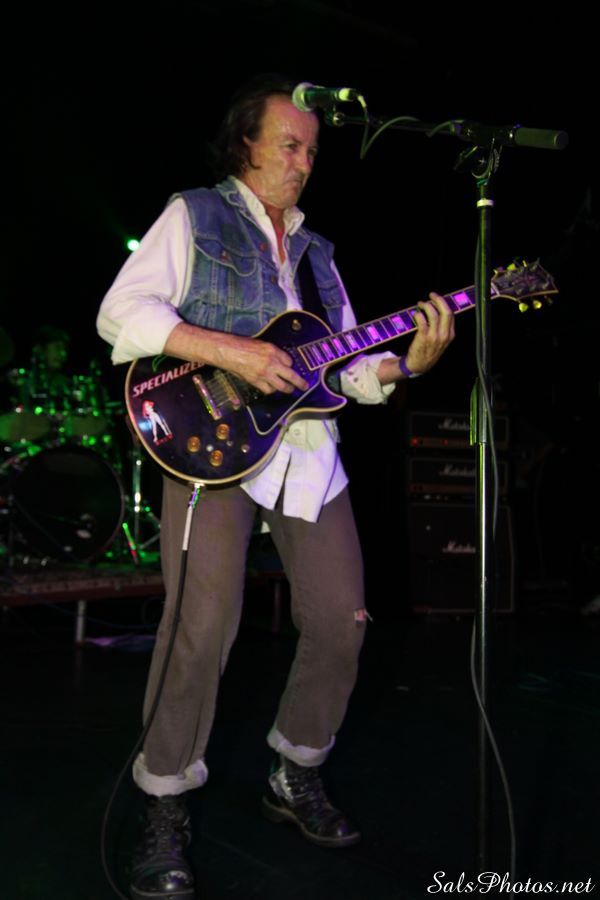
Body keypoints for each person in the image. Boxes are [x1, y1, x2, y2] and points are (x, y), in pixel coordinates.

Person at [97, 74, 455, 900]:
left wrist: (404, 365)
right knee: (202, 630)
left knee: (342, 622)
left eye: (312, 151)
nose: (303, 161)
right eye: (289, 144)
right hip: (210, 442)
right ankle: (165, 800)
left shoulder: (320, 254)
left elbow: (349, 367)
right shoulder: (196, 213)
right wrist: (232, 351)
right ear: (245, 144)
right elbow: (123, 312)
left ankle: (295, 771)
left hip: (306, 453)